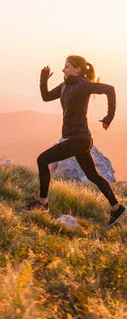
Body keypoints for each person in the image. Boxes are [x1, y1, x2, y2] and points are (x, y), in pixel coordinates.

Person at [24, 55, 126, 227]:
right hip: (78, 140)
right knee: (93, 176)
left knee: (42, 160)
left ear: (77, 70)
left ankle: (42, 203)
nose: (63, 70)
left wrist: (109, 117)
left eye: (67, 67)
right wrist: (43, 80)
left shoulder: (83, 85)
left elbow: (110, 89)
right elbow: (46, 96)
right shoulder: (65, 85)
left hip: (79, 139)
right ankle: (117, 208)